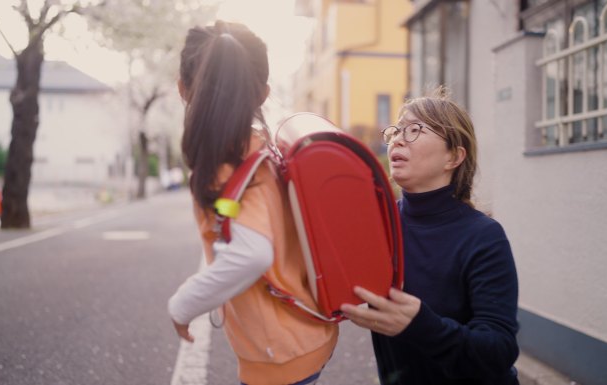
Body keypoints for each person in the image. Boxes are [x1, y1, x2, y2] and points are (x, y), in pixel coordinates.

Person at [167, 21, 338, 385]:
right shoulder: (262, 151)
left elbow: (251, 254)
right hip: (300, 336)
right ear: (262, 94)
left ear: (182, 89)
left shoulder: (225, 164)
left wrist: (181, 306)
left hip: (280, 355)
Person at [340, 87, 520, 385]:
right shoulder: (378, 225)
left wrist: (422, 325)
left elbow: (499, 351)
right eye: (396, 130)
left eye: (413, 130)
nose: (397, 138)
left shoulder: (484, 236)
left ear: (454, 156)